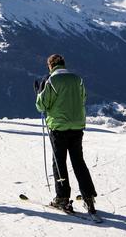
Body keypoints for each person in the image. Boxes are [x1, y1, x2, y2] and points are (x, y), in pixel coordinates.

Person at [35, 54, 97, 215]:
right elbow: (83, 98)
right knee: (78, 162)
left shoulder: (52, 80)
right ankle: (89, 198)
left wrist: (39, 93)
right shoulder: (77, 79)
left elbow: (42, 105)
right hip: (77, 126)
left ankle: (62, 198)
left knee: (59, 162)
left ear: (50, 66)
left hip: (58, 127)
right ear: (63, 64)